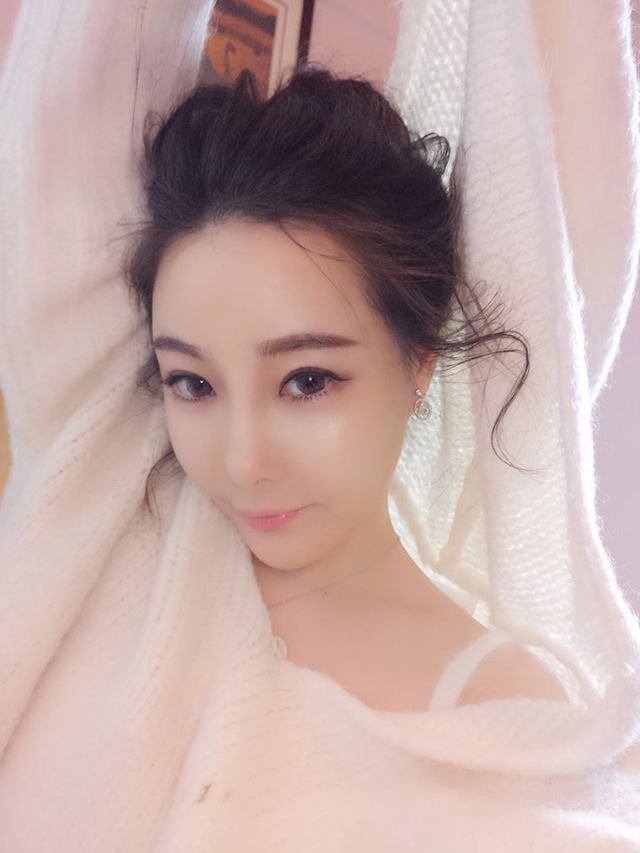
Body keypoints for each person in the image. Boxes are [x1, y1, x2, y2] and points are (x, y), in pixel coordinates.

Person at [0, 0, 639, 849]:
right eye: (193, 383)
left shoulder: (500, 714)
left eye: (306, 380)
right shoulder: (116, 515)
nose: (242, 461)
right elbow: (78, 71)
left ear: (419, 361)